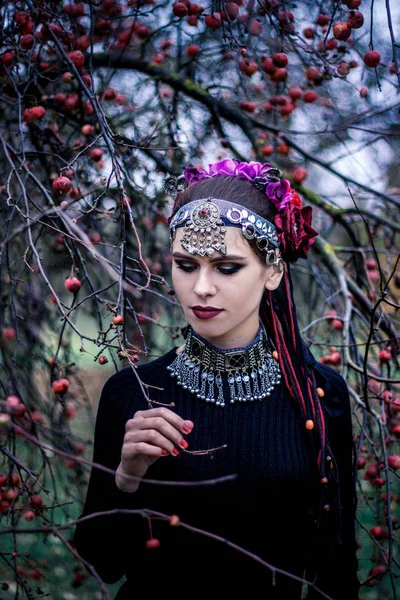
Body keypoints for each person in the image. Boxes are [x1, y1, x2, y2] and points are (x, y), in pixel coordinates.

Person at [74, 159, 360, 599]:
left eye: (226, 267)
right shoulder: (132, 393)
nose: (201, 288)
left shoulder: (320, 396)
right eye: (186, 265)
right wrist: (126, 478)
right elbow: (102, 563)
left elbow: (337, 570)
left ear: (274, 272)